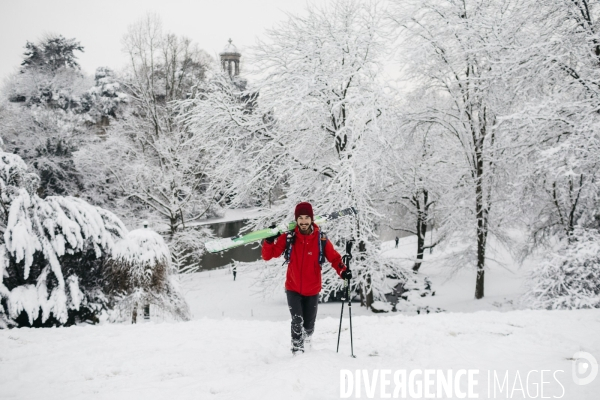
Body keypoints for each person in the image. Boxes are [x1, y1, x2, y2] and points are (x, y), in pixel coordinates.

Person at [262, 202, 351, 354]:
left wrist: (343, 271)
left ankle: (307, 339)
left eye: (307, 218)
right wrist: (269, 241)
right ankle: (297, 349)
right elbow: (268, 256)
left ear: (312, 219)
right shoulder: (289, 237)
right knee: (297, 321)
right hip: (293, 287)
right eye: (300, 218)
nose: (303, 221)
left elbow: (334, 258)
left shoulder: (320, 239)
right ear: (296, 220)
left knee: (308, 325)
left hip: (312, 289)